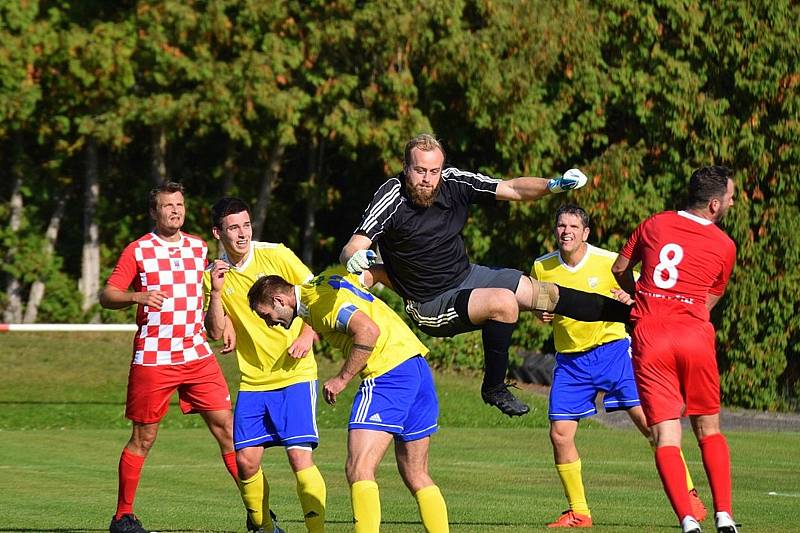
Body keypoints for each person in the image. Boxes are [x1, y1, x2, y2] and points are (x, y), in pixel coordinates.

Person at [340, 133, 629, 417]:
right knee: (503, 303)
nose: (427, 179)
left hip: (468, 276)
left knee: (546, 294)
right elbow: (355, 244)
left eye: (434, 171)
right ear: (406, 169)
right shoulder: (392, 195)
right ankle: (494, 387)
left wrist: (552, 185)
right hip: (430, 302)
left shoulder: (453, 182)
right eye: (419, 170)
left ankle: (632, 316)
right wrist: (354, 257)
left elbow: (513, 189)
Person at [532, 204, 707, 528]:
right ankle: (579, 512)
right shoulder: (542, 267)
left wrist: (633, 298)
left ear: (585, 233)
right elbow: (542, 307)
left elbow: (650, 291)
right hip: (571, 361)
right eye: (561, 225)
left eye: (573, 226)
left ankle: (689, 494)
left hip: (613, 353)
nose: (566, 231)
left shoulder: (607, 261)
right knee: (560, 434)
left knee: (652, 427)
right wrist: (541, 313)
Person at [248, 267, 449, 533]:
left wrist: (342, 379)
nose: (269, 322)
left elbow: (368, 331)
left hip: (388, 373)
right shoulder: (327, 279)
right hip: (416, 365)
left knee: (359, 468)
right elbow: (371, 273)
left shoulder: (319, 305)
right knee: (416, 473)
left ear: (279, 300)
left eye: (266, 315)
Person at [100, 182, 238, 533]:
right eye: (167, 205)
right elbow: (107, 295)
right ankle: (122, 516)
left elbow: (211, 292)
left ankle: (260, 514)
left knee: (230, 432)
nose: (175, 210)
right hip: (154, 358)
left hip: (196, 355)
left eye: (179, 204)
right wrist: (137, 297)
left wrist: (229, 321)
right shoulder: (138, 250)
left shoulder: (198, 247)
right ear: (154, 212)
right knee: (143, 438)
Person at [611, 166, 738, 533]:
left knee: (666, 435)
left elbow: (620, 267)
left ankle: (687, 521)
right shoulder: (725, 245)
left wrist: (641, 297)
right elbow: (710, 297)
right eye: (731, 196)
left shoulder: (654, 224)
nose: (732, 201)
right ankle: (724, 517)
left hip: (651, 336)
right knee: (709, 428)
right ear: (714, 204)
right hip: (694, 335)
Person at [203, 197, 326, 533]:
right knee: (245, 462)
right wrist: (216, 293)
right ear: (218, 233)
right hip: (254, 381)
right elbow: (215, 331)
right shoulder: (214, 276)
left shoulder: (276, 254)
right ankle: (265, 529)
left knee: (299, 458)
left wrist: (307, 332)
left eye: (246, 225)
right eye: (233, 228)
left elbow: (319, 294)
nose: (242, 233)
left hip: (295, 375)